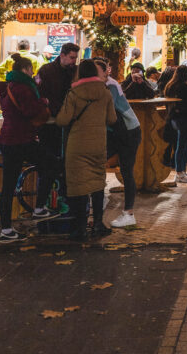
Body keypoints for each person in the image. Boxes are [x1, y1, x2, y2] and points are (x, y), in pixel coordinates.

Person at [0, 52, 61, 243]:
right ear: (25, 69)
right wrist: (43, 101)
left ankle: (6, 230)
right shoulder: (23, 88)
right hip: (21, 140)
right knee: (52, 165)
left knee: (7, 186)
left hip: (7, 140)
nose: (32, 72)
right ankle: (40, 208)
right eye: (31, 69)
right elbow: (30, 111)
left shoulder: (8, 87)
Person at [55, 58, 116, 240]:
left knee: (79, 186)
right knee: (97, 184)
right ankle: (98, 224)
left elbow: (62, 120)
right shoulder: (105, 93)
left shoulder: (74, 93)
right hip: (98, 145)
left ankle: (80, 228)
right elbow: (112, 119)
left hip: (78, 146)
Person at [94, 59, 142, 229]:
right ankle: (100, 196)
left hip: (128, 131)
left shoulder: (110, 86)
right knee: (98, 162)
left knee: (126, 170)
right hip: (116, 132)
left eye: (97, 71)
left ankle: (128, 214)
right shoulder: (101, 86)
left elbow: (108, 109)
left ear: (106, 72)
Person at [37, 41, 80, 164]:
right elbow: (40, 94)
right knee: (49, 160)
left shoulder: (76, 72)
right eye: (71, 58)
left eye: (75, 58)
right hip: (50, 124)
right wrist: (56, 110)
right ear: (62, 55)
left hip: (69, 123)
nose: (74, 61)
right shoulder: (46, 71)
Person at [164, 65, 187, 183]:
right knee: (183, 145)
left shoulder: (170, 86)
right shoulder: (184, 87)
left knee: (182, 144)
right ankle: (179, 172)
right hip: (184, 119)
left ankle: (181, 170)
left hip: (173, 119)